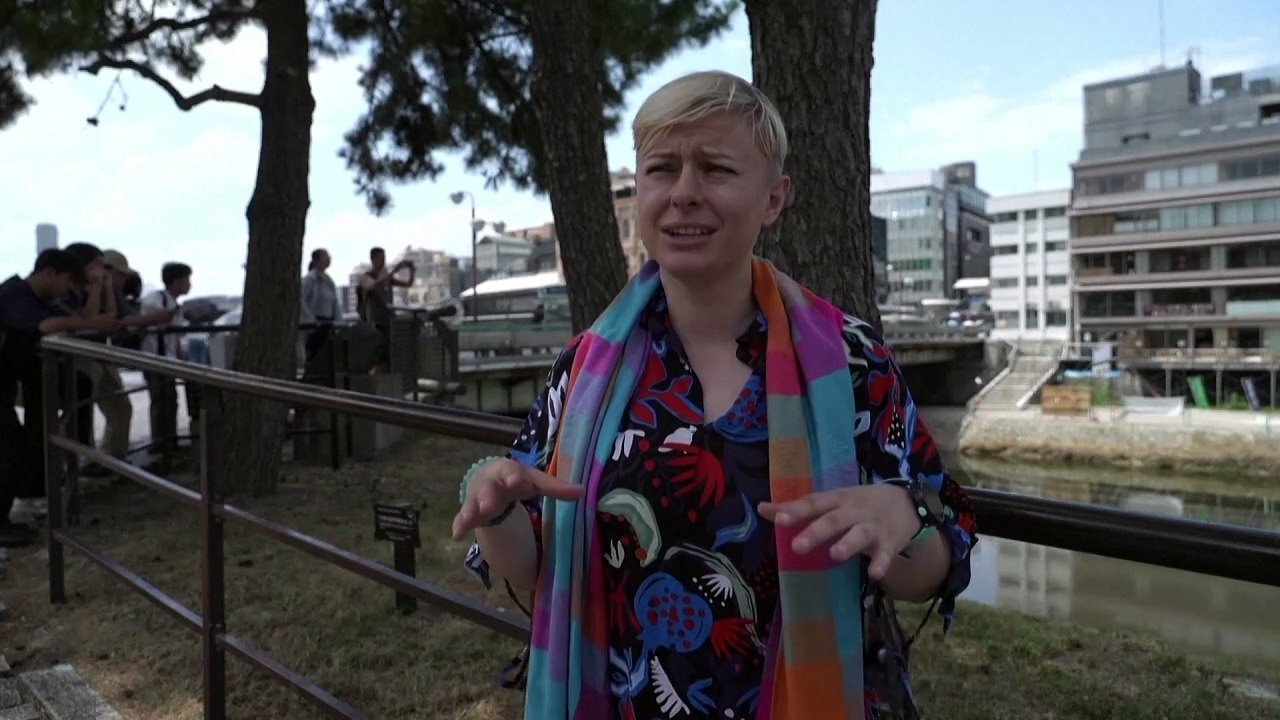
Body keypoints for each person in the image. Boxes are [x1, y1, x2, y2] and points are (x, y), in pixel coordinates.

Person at [453, 71, 977, 720]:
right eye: (661, 169)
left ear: (773, 198)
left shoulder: (852, 361)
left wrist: (906, 519)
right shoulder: (583, 367)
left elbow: (934, 564)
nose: (684, 193)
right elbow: (536, 568)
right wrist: (497, 508)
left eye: (716, 169)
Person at [1, 249, 121, 546]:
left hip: (7, 383)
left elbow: (67, 319)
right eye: (67, 281)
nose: (68, 290)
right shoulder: (13, 294)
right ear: (49, 272)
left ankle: (5, 519)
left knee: (15, 447)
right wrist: (91, 325)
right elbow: (46, 326)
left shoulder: (37, 298)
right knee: (10, 448)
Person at [139, 262, 192, 454]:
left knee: (170, 400)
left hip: (168, 359)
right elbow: (159, 320)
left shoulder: (171, 302)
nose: (189, 284)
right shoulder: (156, 299)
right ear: (176, 281)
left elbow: (176, 337)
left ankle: (169, 440)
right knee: (160, 400)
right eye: (186, 280)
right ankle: (160, 443)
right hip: (154, 357)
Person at [357, 247, 414, 372]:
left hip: (388, 320)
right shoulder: (367, 276)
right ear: (373, 259)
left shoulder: (387, 279)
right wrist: (394, 271)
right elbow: (373, 285)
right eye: (380, 258)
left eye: (384, 258)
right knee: (377, 354)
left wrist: (411, 270)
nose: (383, 261)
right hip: (375, 322)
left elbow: (408, 284)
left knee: (389, 354)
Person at [301, 248, 342, 364]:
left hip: (328, 323)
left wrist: (339, 321)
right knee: (315, 356)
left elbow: (335, 302)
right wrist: (310, 320)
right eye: (325, 257)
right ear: (316, 260)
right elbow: (301, 301)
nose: (328, 259)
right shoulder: (308, 280)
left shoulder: (329, 281)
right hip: (314, 324)